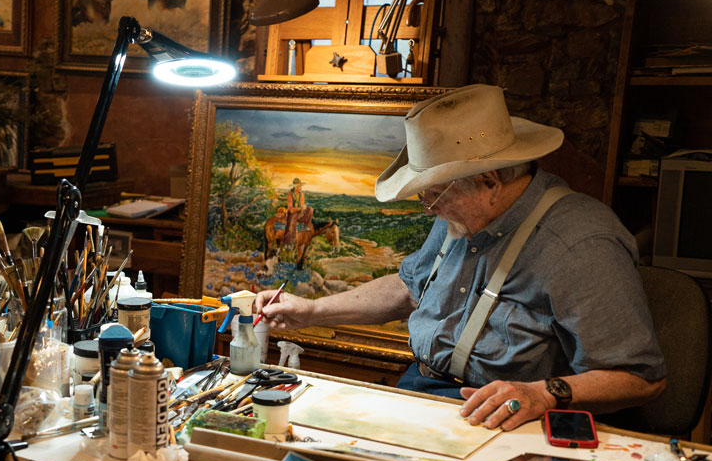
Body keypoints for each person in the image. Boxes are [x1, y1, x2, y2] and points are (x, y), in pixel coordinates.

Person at [255, 84, 666, 432]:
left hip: (506, 423)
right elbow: (409, 287)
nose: (428, 208)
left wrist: (542, 393)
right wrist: (310, 311)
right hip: (420, 392)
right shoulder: (461, 213)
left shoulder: (580, 245)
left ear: (489, 181)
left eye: (433, 194)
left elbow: (640, 379)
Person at [284, 178, 313, 245]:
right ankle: (288, 242)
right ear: (296, 187)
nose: (301, 188)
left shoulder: (301, 195)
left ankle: (305, 225)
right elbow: (291, 209)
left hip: (300, 211)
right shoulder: (290, 194)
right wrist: (300, 208)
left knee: (310, 209)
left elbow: (302, 204)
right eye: (299, 186)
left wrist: (304, 207)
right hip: (293, 212)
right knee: (290, 227)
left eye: (301, 186)